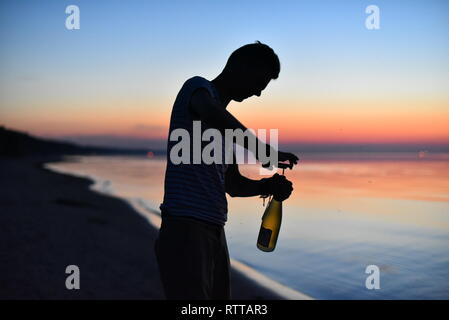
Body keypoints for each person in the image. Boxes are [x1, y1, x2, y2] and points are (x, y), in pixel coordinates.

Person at [154, 41, 299, 300]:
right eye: (258, 82)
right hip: (185, 228)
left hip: (214, 230)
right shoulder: (196, 88)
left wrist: (267, 186)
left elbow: (233, 186)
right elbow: (211, 112)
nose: (257, 93)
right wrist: (265, 152)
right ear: (240, 67)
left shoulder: (225, 132)